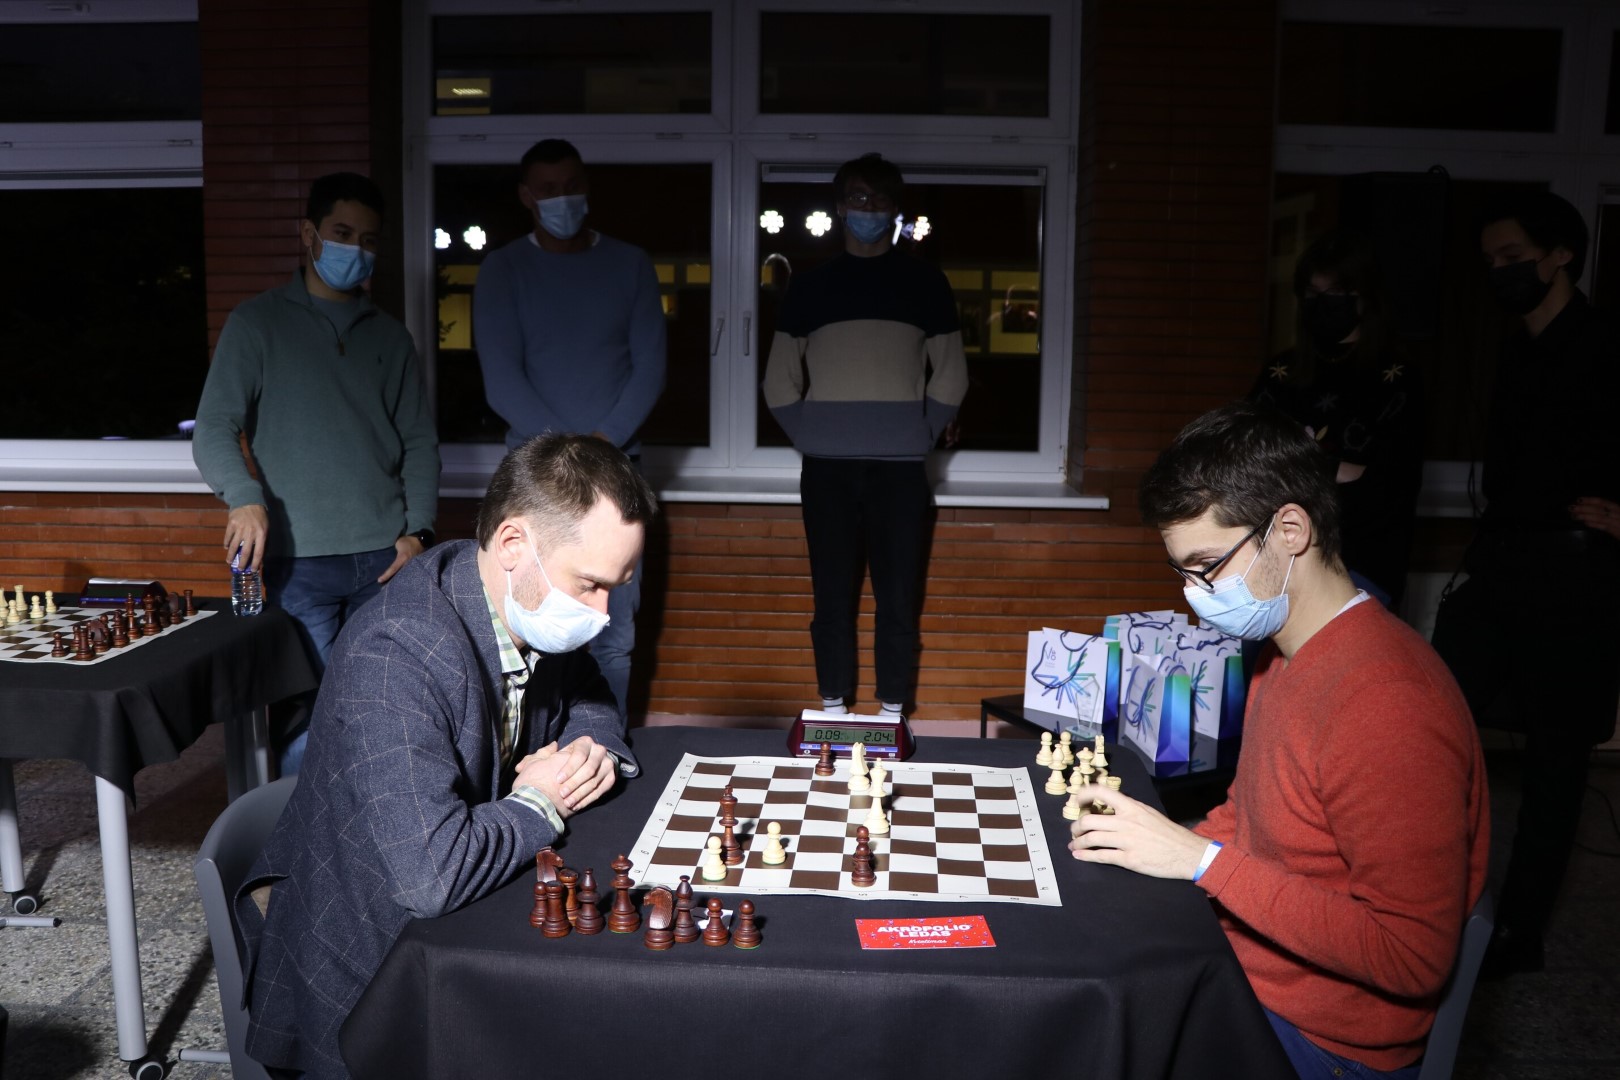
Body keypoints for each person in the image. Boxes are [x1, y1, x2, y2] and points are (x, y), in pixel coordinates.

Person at [1071, 401, 1488, 1078]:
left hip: (1323, 1042)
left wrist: (1200, 862)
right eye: (1182, 572)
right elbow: (1250, 814)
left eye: (1207, 566)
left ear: (1289, 530)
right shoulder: (1285, 653)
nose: (1194, 595)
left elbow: (1412, 956)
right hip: (1253, 977)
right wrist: (1159, 846)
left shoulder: (1388, 703)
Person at [238, 433, 655, 1079]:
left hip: (459, 919)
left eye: (615, 588)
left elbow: (592, 696)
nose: (601, 615)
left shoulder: (512, 589)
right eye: (591, 585)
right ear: (513, 543)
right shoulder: (396, 653)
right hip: (368, 982)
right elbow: (431, 876)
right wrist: (543, 799)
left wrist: (587, 750)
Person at [1430, 191, 1620, 978]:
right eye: (1490, 262)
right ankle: (1426, 896)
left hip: (1575, 576)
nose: (1499, 273)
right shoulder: (1514, 351)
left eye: (1513, 258)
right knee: (1434, 718)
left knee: (1555, 758)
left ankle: (1520, 931)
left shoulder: (1608, 346)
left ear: (1561, 254)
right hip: (1503, 563)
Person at [193, 172, 440, 776]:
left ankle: (369, 824)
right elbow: (214, 427)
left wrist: (419, 533)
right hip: (297, 563)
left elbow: (419, 442)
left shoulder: (391, 337)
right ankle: (300, 833)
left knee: (382, 708)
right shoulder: (257, 324)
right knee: (308, 720)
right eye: (342, 233)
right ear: (309, 234)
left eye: (369, 240)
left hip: (385, 560)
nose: (356, 249)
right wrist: (244, 496)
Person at [761, 152, 968, 719]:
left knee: (898, 599)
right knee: (831, 598)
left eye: (879, 199)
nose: (868, 208)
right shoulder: (810, 287)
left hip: (901, 470)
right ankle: (832, 709)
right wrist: (815, 436)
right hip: (826, 469)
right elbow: (778, 382)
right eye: (857, 197)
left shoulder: (926, 283)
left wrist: (918, 434)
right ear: (840, 207)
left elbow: (951, 373)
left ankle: (892, 713)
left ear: (895, 209)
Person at [473, 138, 666, 724]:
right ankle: (535, 752)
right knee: (529, 621)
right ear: (526, 196)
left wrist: (601, 447)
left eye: (573, 186)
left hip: (619, 472)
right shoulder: (504, 269)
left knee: (612, 632)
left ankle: (609, 749)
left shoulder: (630, 264)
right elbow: (502, 380)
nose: (563, 199)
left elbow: (650, 369)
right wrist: (570, 455)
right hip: (535, 477)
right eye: (549, 190)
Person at [1250, 231, 1423, 609]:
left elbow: (1388, 488)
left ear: (1364, 297)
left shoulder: (1396, 380)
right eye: (1313, 294)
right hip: (1275, 563)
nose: (1323, 305)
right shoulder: (1281, 375)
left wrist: (1299, 467)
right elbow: (1249, 467)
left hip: (1361, 565)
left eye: (1336, 293)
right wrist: (1336, 469)